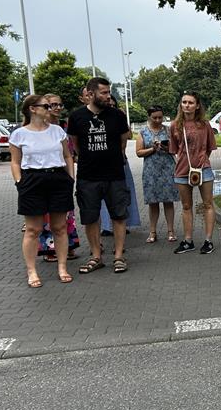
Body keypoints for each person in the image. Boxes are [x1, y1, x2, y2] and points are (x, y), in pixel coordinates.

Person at [9, 94, 76, 288]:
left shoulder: (57, 131)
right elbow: (15, 161)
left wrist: (70, 177)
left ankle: (62, 267)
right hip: (32, 180)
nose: (51, 109)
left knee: (60, 227)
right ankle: (31, 271)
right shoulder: (19, 134)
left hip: (57, 178)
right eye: (47, 106)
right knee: (33, 229)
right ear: (32, 109)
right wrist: (19, 181)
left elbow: (67, 155)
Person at [67, 77, 131, 274]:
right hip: (88, 176)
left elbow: (123, 141)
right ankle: (96, 256)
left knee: (119, 216)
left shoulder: (117, 115)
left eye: (108, 92)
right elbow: (75, 144)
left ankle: (119, 256)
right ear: (91, 93)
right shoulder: (77, 117)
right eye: (103, 92)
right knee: (90, 217)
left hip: (114, 175)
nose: (107, 96)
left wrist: (113, 158)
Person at [169, 91, 218, 254]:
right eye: (184, 102)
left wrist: (201, 161)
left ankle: (208, 240)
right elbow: (175, 150)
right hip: (182, 171)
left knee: (208, 204)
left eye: (190, 103)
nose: (187, 105)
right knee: (186, 205)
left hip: (204, 169)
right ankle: (188, 240)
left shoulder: (205, 125)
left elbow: (210, 148)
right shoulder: (175, 125)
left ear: (197, 106)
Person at [38, 93, 80, 263]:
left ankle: (68, 246)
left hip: (63, 176)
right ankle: (49, 249)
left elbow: (70, 153)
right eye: (52, 105)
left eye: (59, 105)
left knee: (66, 213)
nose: (57, 108)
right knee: (48, 215)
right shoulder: (39, 128)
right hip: (44, 177)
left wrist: (71, 176)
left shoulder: (63, 127)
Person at [135, 105, 178, 243]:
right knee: (153, 203)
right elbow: (138, 152)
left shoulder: (168, 130)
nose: (158, 120)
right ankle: (152, 232)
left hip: (167, 169)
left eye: (160, 117)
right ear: (149, 117)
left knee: (168, 201)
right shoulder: (142, 132)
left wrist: (166, 147)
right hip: (151, 171)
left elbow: (176, 149)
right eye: (155, 117)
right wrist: (152, 149)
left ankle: (171, 230)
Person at [99, 95, 141, 235]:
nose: (111, 107)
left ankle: (124, 224)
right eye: (108, 105)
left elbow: (128, 136)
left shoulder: (119, 117)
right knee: (103, 196)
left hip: (120, 161)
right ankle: (106, 226)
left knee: (121, 194)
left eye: (113, 105)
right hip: (101, 163)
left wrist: (122, 118)